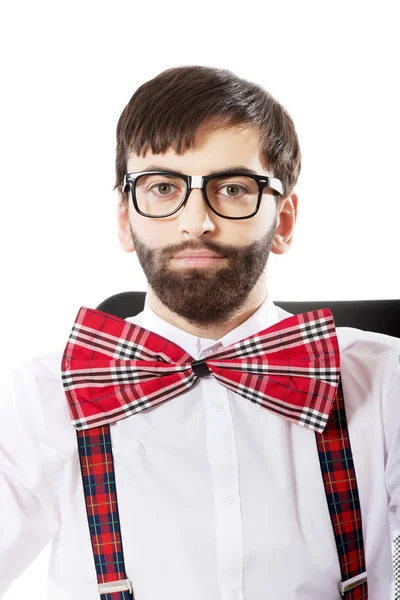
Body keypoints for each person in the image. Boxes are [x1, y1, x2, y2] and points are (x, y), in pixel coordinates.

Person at [0, 65, 399, 600]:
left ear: (282, 221)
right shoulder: (39, 396)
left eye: (232, 188)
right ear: (125, 220)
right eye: (162, 187)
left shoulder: (388, 381)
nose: (195, 222)